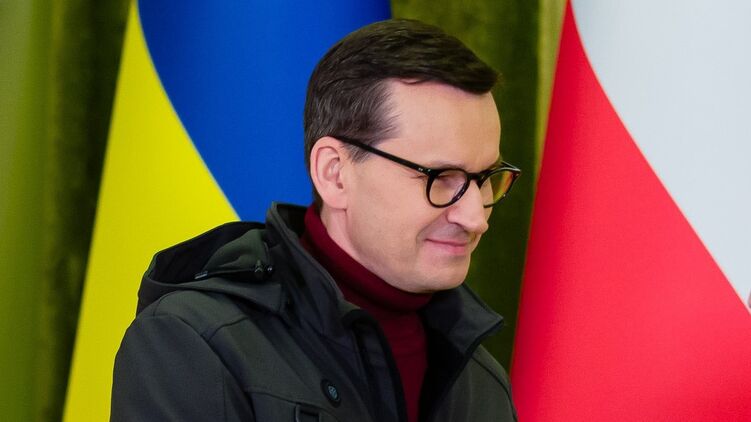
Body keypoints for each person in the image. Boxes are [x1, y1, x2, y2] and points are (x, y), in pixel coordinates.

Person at [111, 18, 520, 422]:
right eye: (441, 177)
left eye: (486, 178)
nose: (476, 218)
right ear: (335, 174)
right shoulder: (194, 344)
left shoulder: (482, 381)